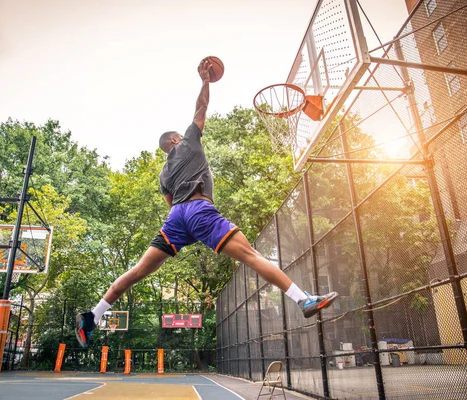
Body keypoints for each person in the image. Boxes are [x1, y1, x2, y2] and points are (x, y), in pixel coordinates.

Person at [75, 59, 338, 347]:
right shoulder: (188, 142)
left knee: (138, 271)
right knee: (251, 255)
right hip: (199, 210)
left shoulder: (163, 173)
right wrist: (205, 82)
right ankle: (304, 300)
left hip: (175, 219)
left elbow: (170, 204)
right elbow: (201, 109)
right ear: (176, 138)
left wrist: (190, 231)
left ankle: (94, 315)